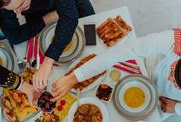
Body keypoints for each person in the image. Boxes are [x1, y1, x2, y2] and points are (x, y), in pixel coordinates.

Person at [52, 29, 181, 116]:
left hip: (168, 98)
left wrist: (176, 108)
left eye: (175, 81)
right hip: (151, 66)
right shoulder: (173, 40)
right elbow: (123, 51)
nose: (169, 78)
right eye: (173, 71)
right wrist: (74, 77)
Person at [0, 0, 95, 91]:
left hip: (75, 7)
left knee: (93, 47)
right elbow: (14, 36)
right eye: (13, 9)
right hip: (40, 18)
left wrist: (48, 61)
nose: (17, 12)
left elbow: (69, 16)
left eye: (21, 5)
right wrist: (48, 18)